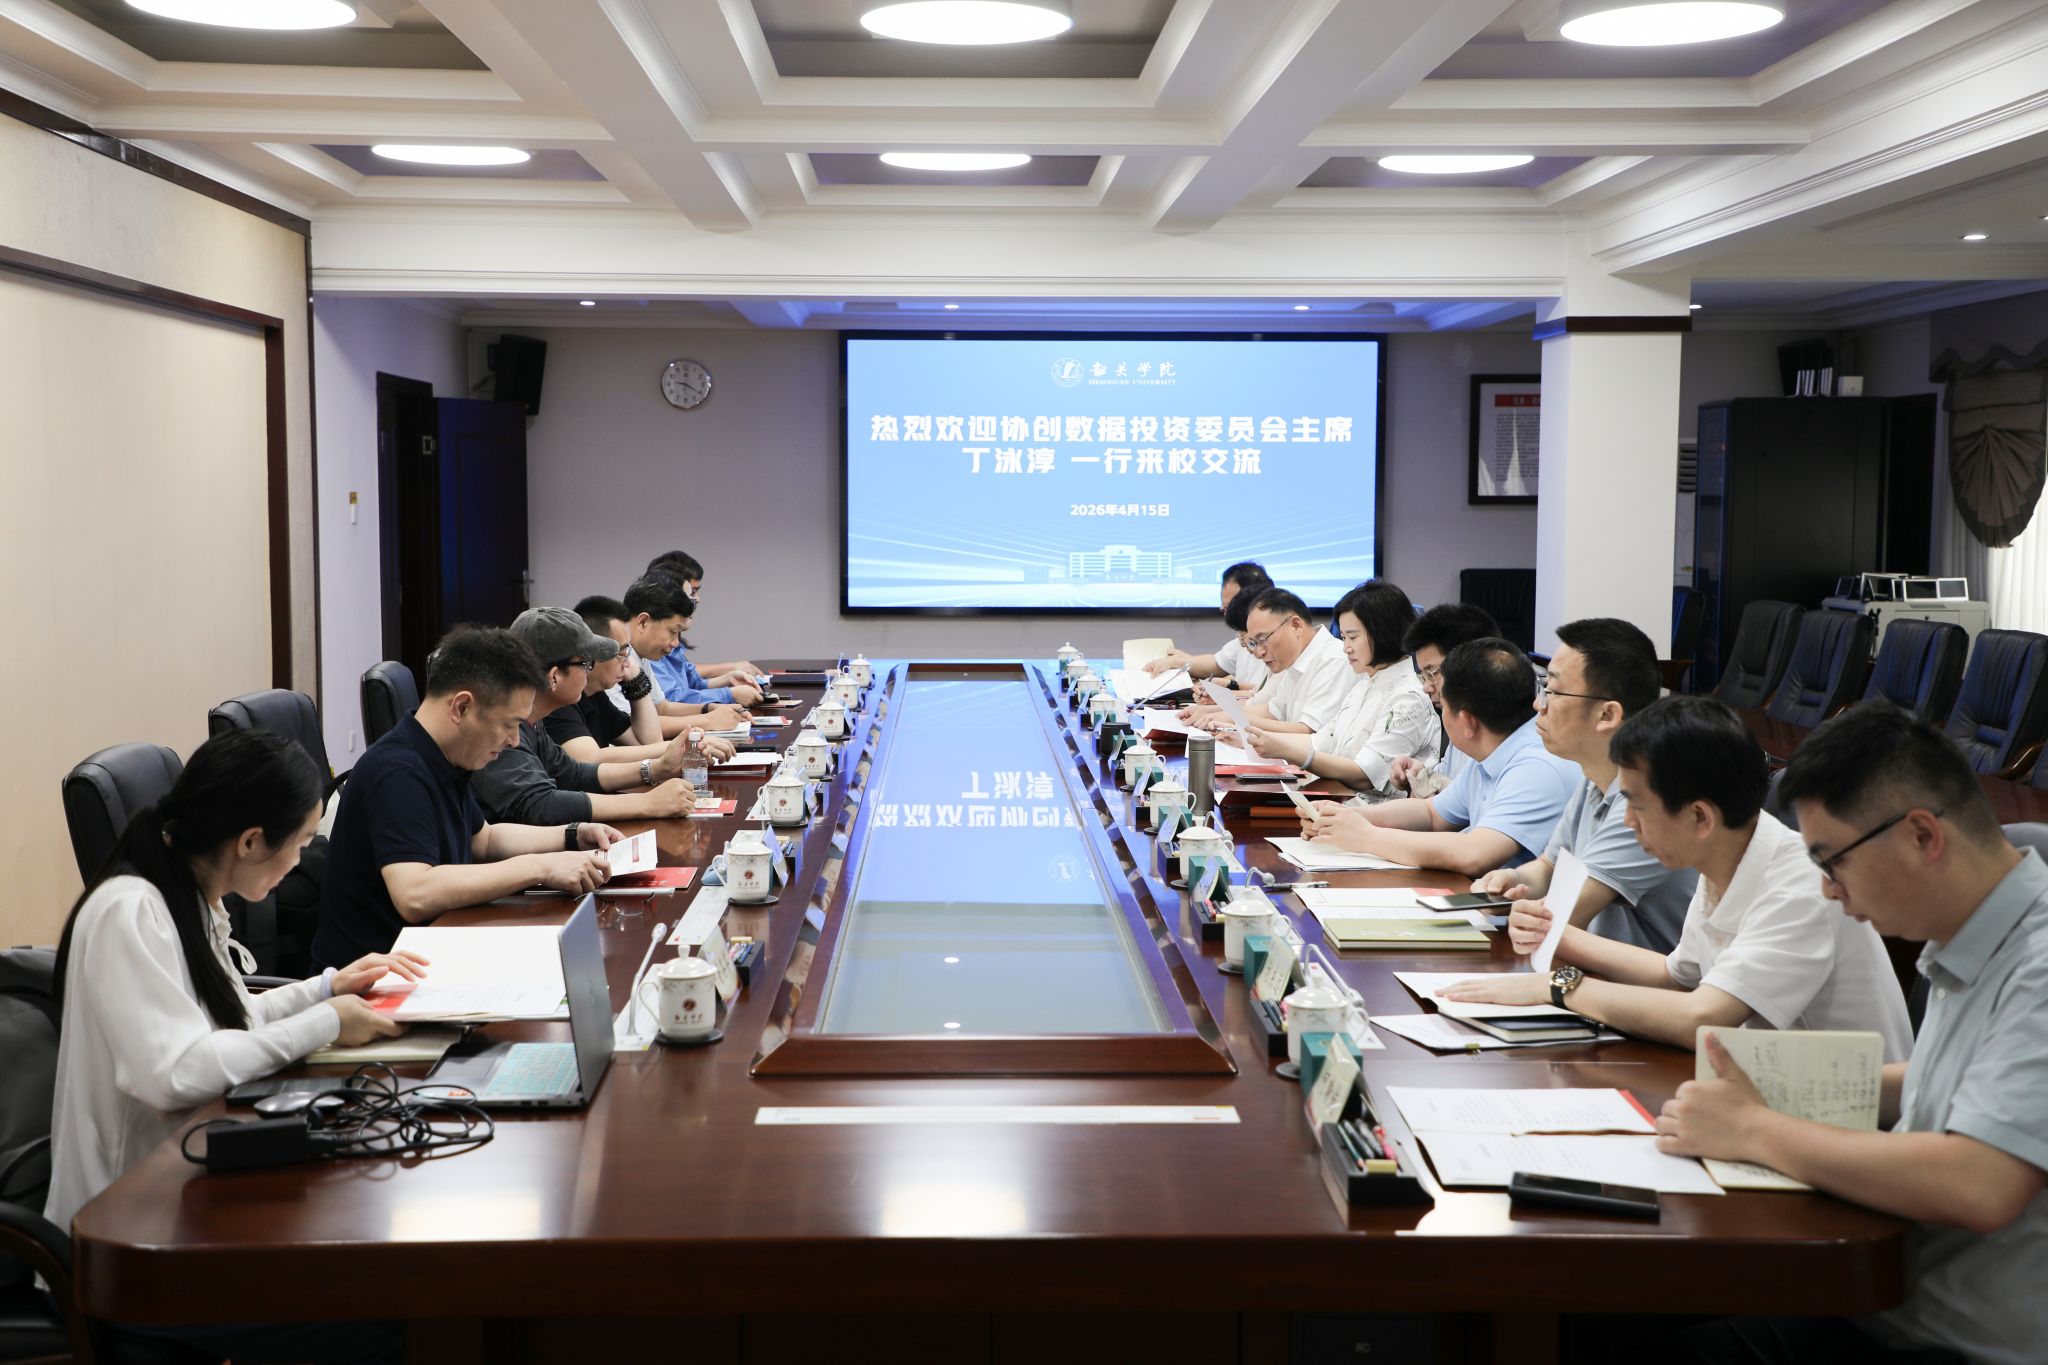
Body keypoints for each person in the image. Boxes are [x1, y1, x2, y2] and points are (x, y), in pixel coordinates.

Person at [1592, 702, 2044, 1364]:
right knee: (1606, 1317)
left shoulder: (2037, 963)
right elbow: (1944, 1082)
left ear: (1922, 836)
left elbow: (1981, 1182)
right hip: (1884, 1291)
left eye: (1833, 862)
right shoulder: (1975, 930)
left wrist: (1755, 1127)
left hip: (1951, 1339)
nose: (1829, 890)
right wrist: (1764, 1087)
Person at [48, 729, 419, 1362]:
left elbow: (229, 1019)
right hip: (130, 1248)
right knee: (378, 1326)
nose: (302, 859)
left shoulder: (185, 893)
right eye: (300, 842)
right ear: (249, 841)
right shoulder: (129, 911)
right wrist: (326, 1022)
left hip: (184, 1199)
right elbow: (176, 1072)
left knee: (386, 1289)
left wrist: (326, 987)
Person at [1441, 695, 1912, 1058]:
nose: (1628, 822)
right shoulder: (1727, 857)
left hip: (1845, 1119)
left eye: (1638, 807)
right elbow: (1677, 976)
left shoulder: (1800, 886)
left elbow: (1701, 1016)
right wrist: (1556, 935)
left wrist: (1559, 987)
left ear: (1699, 817)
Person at [312, 625, 619, 970]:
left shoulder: (443, 755)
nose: (514, 741)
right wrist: (540, 867)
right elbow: (414, 893)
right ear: (461, 707)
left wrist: (572, 834)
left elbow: (484, 839)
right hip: (374, 980)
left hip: (434, 949)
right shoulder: (397, 771)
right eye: (509, 724)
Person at [1471, 617, 1696, 952]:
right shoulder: (1595, 777)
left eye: (1553, 691)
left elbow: (1560, 918)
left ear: (1607, 715)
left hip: (1631, 980)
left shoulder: (1648, 799)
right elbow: (1548, 869)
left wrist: (1525, 913)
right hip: (1584, 968)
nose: (1539, 705)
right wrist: (1513, 881)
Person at [1301, 637, 1577, 876]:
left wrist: (1367, 836)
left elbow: (1474, 853)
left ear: (1467, 723)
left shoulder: (1537, 766)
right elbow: (1432, 814)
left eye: (1443, 705)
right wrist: (1345, 817)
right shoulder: (1495, 749)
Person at [472, 607, 734, 827]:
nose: (590, 670)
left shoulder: (534, 721)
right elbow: (540, 804)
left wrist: (657, 768)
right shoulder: (503, 727)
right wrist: (646, 803)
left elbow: (574, 774)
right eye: (585, 663)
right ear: (554, 676)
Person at [1242, 579, 1438, 794]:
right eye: (1344, 637)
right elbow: (1322, 740)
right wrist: (1259, 739)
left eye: (1353, 637)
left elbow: (1364, 775)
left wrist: (1286, 750)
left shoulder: (1408, 696)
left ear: (1383, 632)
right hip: (1341, 802)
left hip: (1370, 810)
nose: (1346, 648)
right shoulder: (1365, 684)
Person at [1186, 586, 1351, 734]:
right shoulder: (1296, 660)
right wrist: (1215, 714)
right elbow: (1273, 712)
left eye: (1263, 639)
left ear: (1296, 625)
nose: (1258, 653)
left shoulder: (1333, 659)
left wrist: (1234, 719)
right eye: (1253, 643)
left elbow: (1308, 732)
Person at [1389, 603, 1500, 798]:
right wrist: (1419, 777)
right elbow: (1447, 786)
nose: (1426, 687)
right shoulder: (1460, 719)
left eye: (1432, 673)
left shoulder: (1503, 734)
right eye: (1423, 676)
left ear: (1470, 663)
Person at [620, 571, 751, 734]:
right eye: (673, 632)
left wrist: (709, 708)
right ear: (643, 622)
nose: (676, 643)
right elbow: (631, 725)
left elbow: (662, 708)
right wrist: (709, 720)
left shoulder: (641, 654)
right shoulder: (617, 659)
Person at [543, 596, 664, 761]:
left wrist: (636, 682)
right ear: (594, 651)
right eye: (621, 653)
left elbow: (649, 743)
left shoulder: (596, 696)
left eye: (627, 653)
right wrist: (675, 747)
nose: (628, 663)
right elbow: (591, 759)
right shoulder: (558, 698)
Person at [642, 551, 765, 707]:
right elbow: (671, 699)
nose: (696, 600)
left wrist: (729, 679)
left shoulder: (668, 641)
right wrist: (729, 694)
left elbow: (692, 682)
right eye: (691, 593)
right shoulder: (649, 649)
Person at [1144, 561, 1273, 691]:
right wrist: (1177, 662)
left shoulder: (1273, 640)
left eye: (1229, 606)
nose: (1224, 611)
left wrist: (1230, 686)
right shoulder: (1244, 635)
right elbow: (1217, 664)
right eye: (1224, 606)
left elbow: (1269, 694)